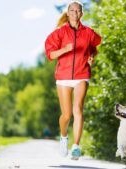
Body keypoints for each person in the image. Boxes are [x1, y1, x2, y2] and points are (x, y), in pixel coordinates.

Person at [44, 0, 101, 160]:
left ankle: (76, 146)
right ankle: (63, 137)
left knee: (78, 110)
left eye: (78, 11)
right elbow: (50, 55)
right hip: (63, 77)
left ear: (81, 14)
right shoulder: (59, 33)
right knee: (67, 115)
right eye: (72, 10)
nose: (75, 13)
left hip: (82, 74)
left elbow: (95, 45)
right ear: (68, 13)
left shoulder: (89, 33)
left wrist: (91, 55)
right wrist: (65, 49)